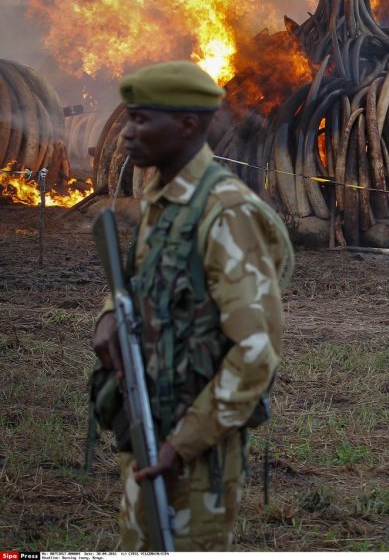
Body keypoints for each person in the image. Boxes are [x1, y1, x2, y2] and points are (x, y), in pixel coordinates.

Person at [90, 60, 295, 551]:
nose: (126, 136)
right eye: (128, 120)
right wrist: (107, 317)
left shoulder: (225, 213)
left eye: (142, 121)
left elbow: (256, 351)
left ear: (187, 125)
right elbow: (139, 280)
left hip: (195, 453)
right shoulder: (162, 202)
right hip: (144, 431)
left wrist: (181, 446)